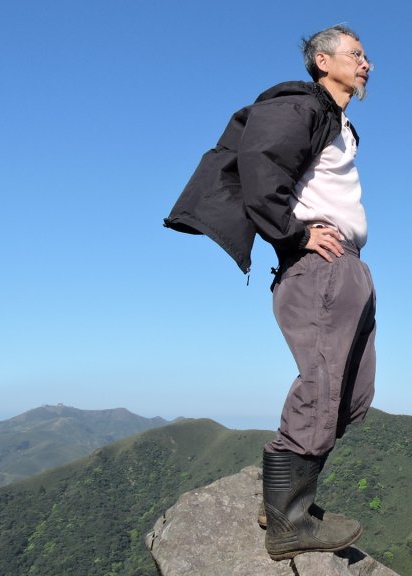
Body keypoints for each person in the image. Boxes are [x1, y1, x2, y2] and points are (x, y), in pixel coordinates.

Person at [164, 24, 376, 560]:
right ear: (323, 61)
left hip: (346, 264)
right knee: (323, 385)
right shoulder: (301, 106)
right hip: (317, 264)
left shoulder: (336, 121)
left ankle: (285, 501)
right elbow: (262, 168)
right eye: (356, 54)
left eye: (367, 55)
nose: (367, 62)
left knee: (350, 396)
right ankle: (289, 523)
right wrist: (297, 234)